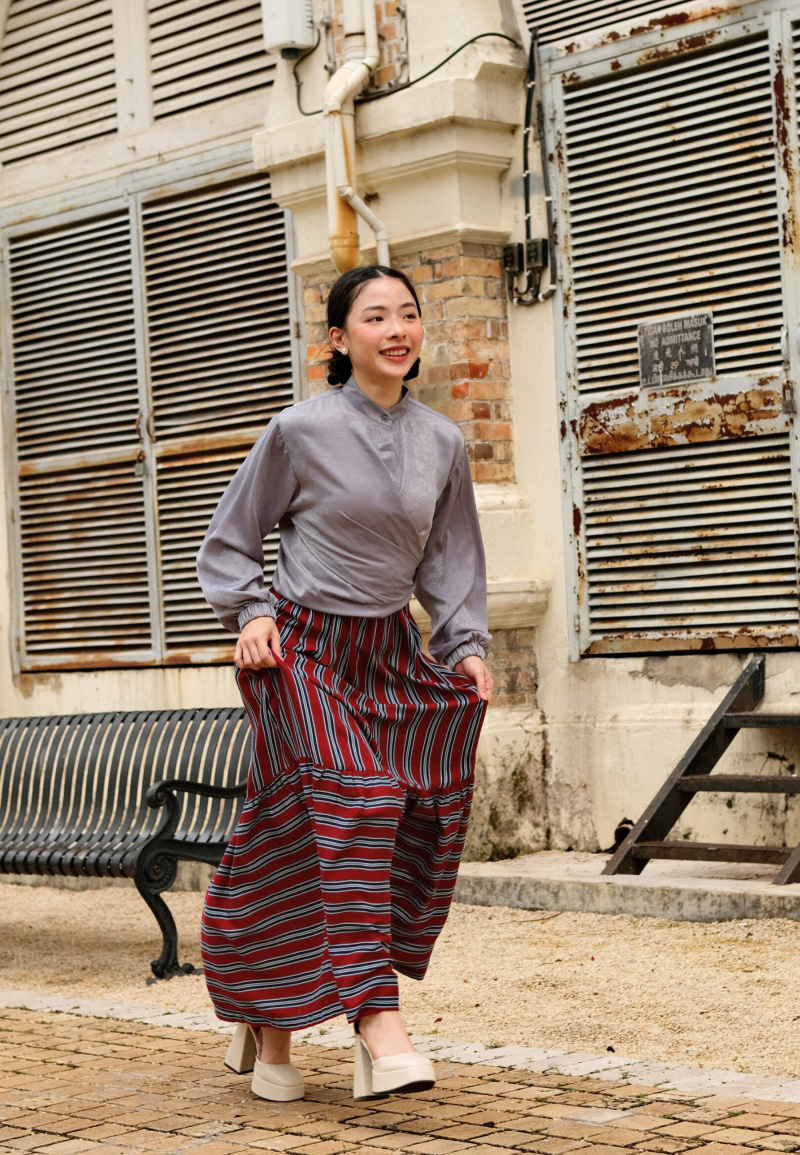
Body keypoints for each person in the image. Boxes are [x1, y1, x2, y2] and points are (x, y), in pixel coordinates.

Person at [196, 264, 492, 1104]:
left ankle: (265, 1012)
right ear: (339, 338)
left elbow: (450, 557)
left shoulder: (442, 440)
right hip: (299, 651)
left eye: (408, 314)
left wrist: (464, 641)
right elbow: (230, 537)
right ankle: (376, 1019)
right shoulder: (300, 429)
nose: (396, 329)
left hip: (389, 651)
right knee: (359, 794)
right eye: (374, 317)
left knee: (360, 811)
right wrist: (250, 611)